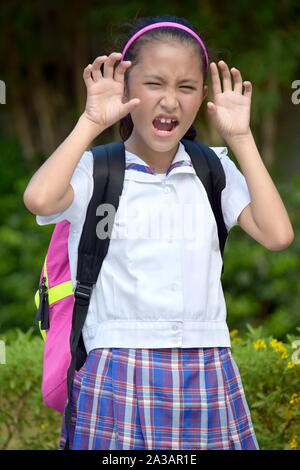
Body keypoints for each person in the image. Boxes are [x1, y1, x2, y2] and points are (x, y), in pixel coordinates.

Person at [23, 14, 294, 450]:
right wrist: (92, 120)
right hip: (116, 364)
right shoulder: (98, 170)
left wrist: (241, 137)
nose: (170, 101)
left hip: (207, 364)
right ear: (126, 88)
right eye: (154, 84)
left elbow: (278, 234)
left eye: (186, 87)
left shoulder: (213, 169)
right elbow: (39, 199)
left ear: (202, 96)